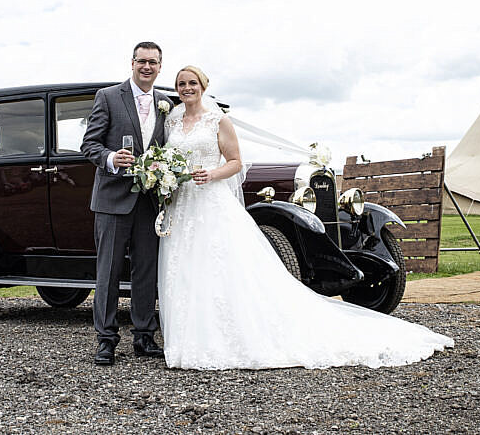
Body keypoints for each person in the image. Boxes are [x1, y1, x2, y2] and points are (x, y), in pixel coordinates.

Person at [159, 65, 454, 370]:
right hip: (181, 204)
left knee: (221, 266)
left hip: (210, 199)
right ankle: (189, 336)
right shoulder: (172, 120)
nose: (186, 87)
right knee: (187, 266)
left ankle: (227, 332)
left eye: (192, 82)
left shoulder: (217, 119)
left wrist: (211, 173)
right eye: (181, 83)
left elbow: (235, 162)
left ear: (203, 86)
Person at [81, 42, 173, 366]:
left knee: (146, 271)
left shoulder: (165, 103)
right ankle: (106, 340)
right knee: (107, 272)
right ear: (131, 63)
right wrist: (109, 157)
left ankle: (144, 336)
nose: (147, 67)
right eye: (142, 61)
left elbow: (166, 149)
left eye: (153, 62)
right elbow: (89, 144)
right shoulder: (107, 97)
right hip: (112, 200)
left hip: (149, 203)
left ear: (160, 67)